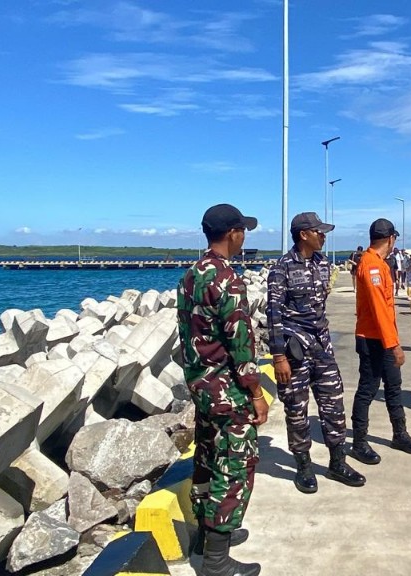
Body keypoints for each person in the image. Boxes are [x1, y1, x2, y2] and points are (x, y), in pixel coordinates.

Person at [177, 204, 267, 576]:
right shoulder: (227, 278)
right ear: (232, 233)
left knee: (207, 459)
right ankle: (216, 560)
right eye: (242, 230)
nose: (244, 235)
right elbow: (240, 344)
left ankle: (207, 534)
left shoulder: (192, 274)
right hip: (227, 390)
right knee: (234, 466)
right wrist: (256, 393)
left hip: (200, 384)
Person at [266, 212, 364, 494]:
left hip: (322, 348)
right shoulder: (281, 268)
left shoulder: (323, 264)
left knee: (334, 406)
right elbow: (273, 314)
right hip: (294, 350)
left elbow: (320, 307)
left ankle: (337, 462)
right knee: (296, 411)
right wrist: (278, 356)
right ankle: (304, 467)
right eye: (319, 232)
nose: (324, 236)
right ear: (303, 234)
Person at [349, 218, 411, 465]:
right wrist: (393, 345)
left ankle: (399, 434)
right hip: (373, 339)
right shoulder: (371, 265)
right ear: (391, 238)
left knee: (393, 386)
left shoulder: (379, 263)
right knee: (368, 389)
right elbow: (380, 308)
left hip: (384, 336)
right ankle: (358, 442)